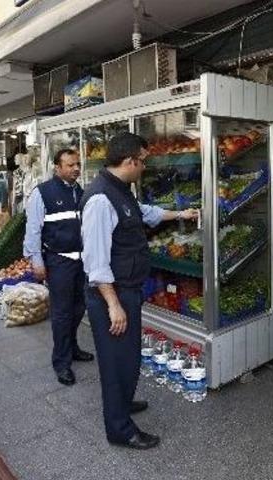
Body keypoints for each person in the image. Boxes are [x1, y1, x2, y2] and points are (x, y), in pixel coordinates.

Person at [81, 132, 198, 450]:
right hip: (112, 295)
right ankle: (119, 429)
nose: (145, 167)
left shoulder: (120, 191)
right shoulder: (100, 199)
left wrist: (179, 215)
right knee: (116, 362)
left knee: (129, 357)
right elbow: (96, 261)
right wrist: (113, 304)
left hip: (128, 291)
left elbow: (144, 213)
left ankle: (123, 402)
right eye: (143, 161)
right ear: (130, 161)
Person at [23, 148, 94, 387]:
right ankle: (61, 363)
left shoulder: (80, 192)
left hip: (81, 261)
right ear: (57, 167)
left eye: (78, 165)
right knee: (62, 313)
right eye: (70, 165)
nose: (76, 169)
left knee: (78, 307)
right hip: (58, 261)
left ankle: (72, 348)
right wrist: (37, 261)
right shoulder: (42, 193)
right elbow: (32, 230)